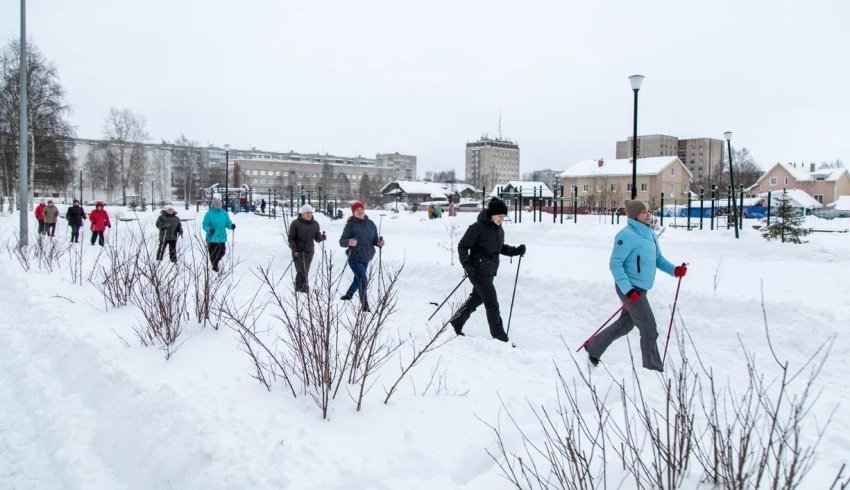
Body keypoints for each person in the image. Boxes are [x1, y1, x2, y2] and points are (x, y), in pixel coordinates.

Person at [584, 200, 687, 372]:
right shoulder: (626, 235)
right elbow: (615, 264)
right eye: (643, 212)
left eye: (648, 211)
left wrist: (675, 270)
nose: (648, 214)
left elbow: (658, 260)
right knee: (649, 329)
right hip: (629, 288)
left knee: (625, 325)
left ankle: (594, 347)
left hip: (640, 290)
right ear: (634, 215)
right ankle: (653, 369)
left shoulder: (650, 234)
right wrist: (628, 290)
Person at [449, 198, 525, 342]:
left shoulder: (498, 229)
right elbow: (462, 246)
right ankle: (500, 337)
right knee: (492, 303)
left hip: (489, 272)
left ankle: (457, 321)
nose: (502, 219)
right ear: (492, 214)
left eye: (504, 217)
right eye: (500, 216)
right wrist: (467, 265)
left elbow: (498, 248)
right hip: (477, 271)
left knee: (476, 299)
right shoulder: (477, 227)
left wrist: (515, 251)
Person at [338, 201, 384, 312]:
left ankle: (349, 294)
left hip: (367, 256)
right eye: (357, 210)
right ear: (353, 212)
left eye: (361, 209)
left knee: (358, 278)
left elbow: (374, 239)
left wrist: (379, 242)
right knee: (363, 279)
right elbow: (341, 241)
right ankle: (364, 305)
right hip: (354, 257)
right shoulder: (351, 225)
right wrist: (349, 241)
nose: (360, 211)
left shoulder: (371, 223)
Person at [288, 204, 326, 293]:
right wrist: (294, 249)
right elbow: (291, 238)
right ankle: (302, 288)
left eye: (310, 213)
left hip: (309, 251)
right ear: (302, 213)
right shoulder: (295, 223)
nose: (309, 214)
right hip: (298, 250)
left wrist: (322, 237)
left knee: (305, 270)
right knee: (301, 270)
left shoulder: (315, 224)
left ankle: (300, 287)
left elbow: (317, 238)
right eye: (306, 213)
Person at [202, 198, 235, 272]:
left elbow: (228, 223)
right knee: (213, 253)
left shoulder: (224, 213)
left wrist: (231, 226)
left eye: (219, 204)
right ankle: (214, 266)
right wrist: (209, 229)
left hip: (222, 237)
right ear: (213, 205)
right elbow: (205, 225)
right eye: (216, 204)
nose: (218, 206)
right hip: (212, 238)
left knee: (222, 252)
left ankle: (215, 263)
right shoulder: (209, 214)